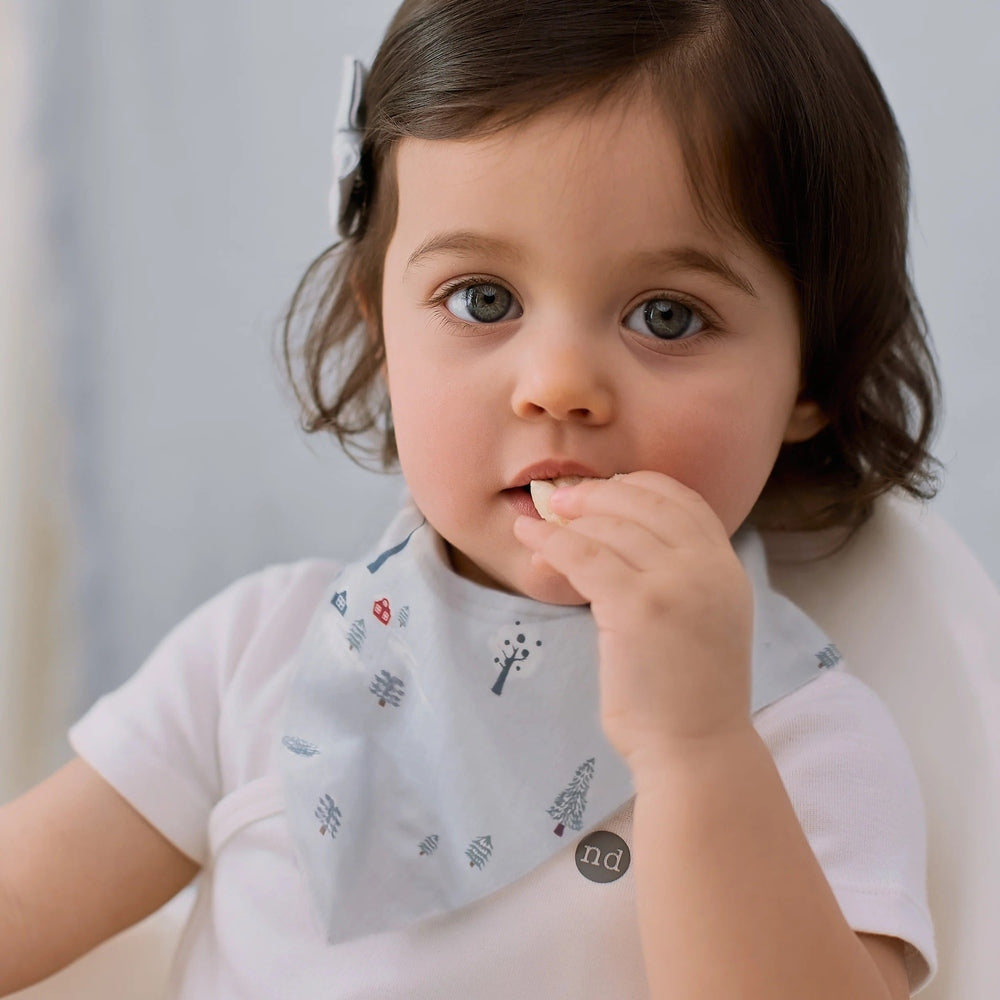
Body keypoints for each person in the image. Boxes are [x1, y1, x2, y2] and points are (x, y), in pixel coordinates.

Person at [0, 1, 942, 996]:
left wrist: (696, 745)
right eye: (482, 299)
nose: (557, 383)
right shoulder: (255, 657)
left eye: (667, 315)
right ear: (381, 332)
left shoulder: (802, 735)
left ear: (810, 378)